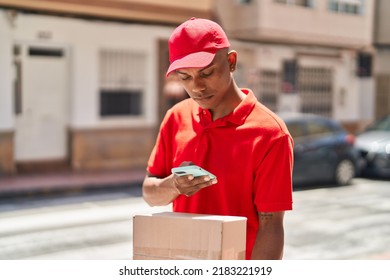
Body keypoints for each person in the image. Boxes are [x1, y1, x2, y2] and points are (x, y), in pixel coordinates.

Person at [142, 17, 294, 260]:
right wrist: (174, 185)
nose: (197, 87)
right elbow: (149, 193)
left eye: (207, 73)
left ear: (231, 62)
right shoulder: (175, 117)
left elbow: (271, 226)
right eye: (185, 77)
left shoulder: (270, 133)